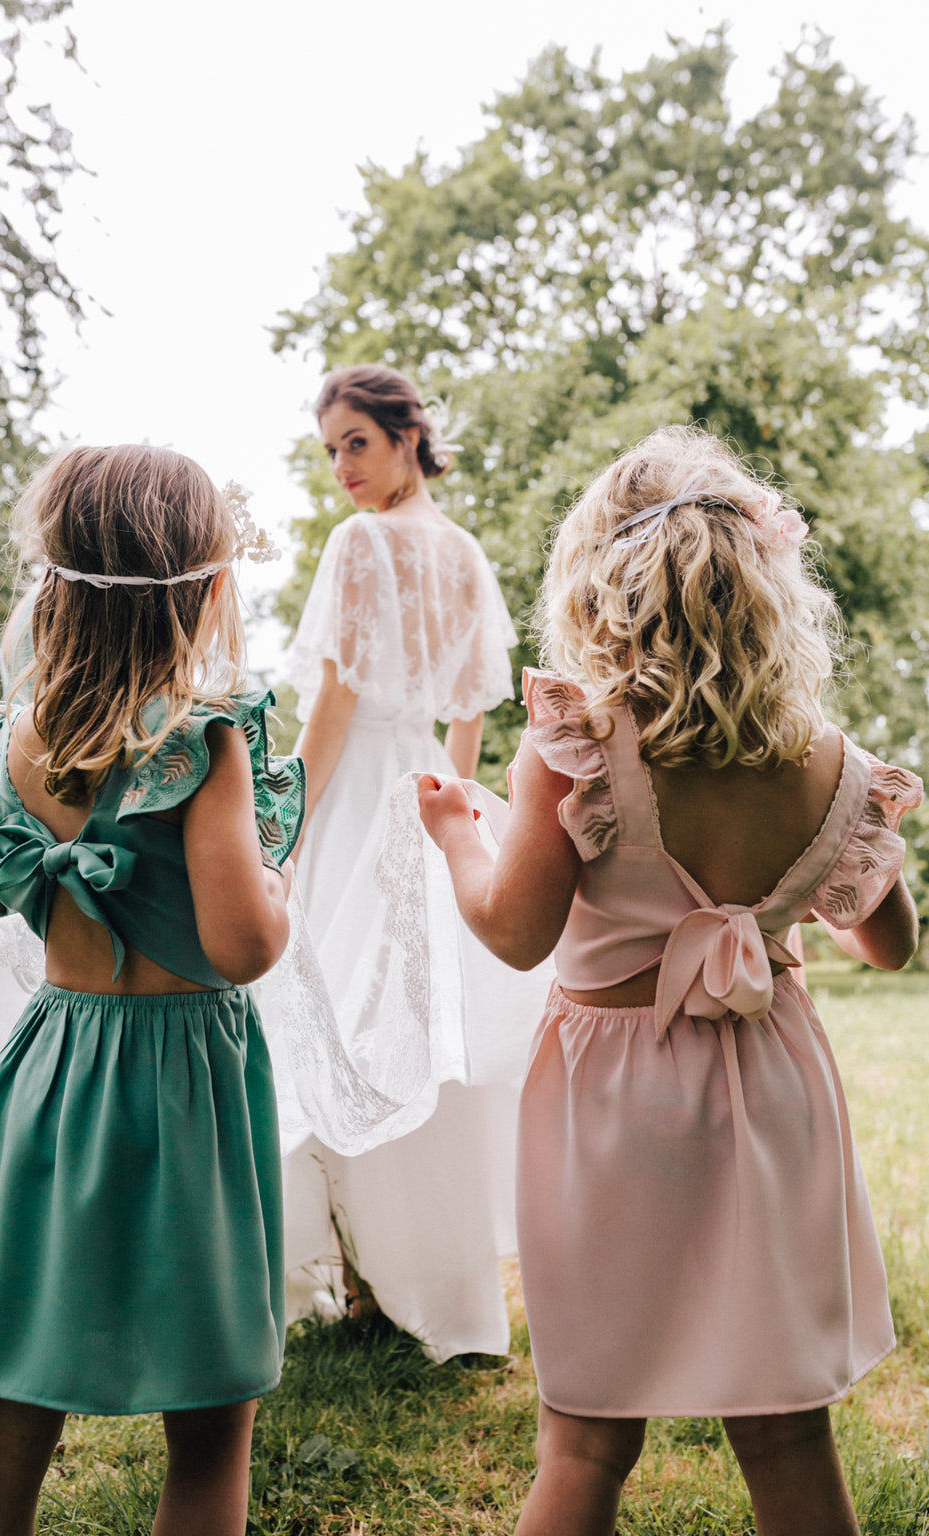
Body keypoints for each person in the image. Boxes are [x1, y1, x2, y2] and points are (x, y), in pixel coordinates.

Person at [418, 424, 922, 1536]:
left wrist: (458, 834)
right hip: (772, 1095)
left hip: (613, 1110)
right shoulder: (832, 762)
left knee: (587, 1437)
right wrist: (791, 907)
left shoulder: (574, 746)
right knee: (788, 1427)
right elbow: (888, 947)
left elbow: (512, 932)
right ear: (764, 588)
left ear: (601, 587)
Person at [0, 445, 302, 1536]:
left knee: (11, 1408)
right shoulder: (206, 743)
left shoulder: (18, 737)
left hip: (56, 1078)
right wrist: (277, 879)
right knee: (212, 1418)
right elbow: (241, 944)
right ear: (208, 589)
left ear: (56, 590)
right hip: (185, 1087)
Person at [281, 363, 545, 1360]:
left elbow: (335, 707)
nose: (342, 468)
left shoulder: (362, 545)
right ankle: (438, 1287)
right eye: (330, 450)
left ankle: (356, 1277)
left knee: (337, 1009)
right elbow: (470, 712)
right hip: (433, 789)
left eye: (356, 441)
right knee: (422, 1021)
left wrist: (288, 832)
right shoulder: (467, 553)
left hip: (357, 788)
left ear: (405, 436)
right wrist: (453, 823)